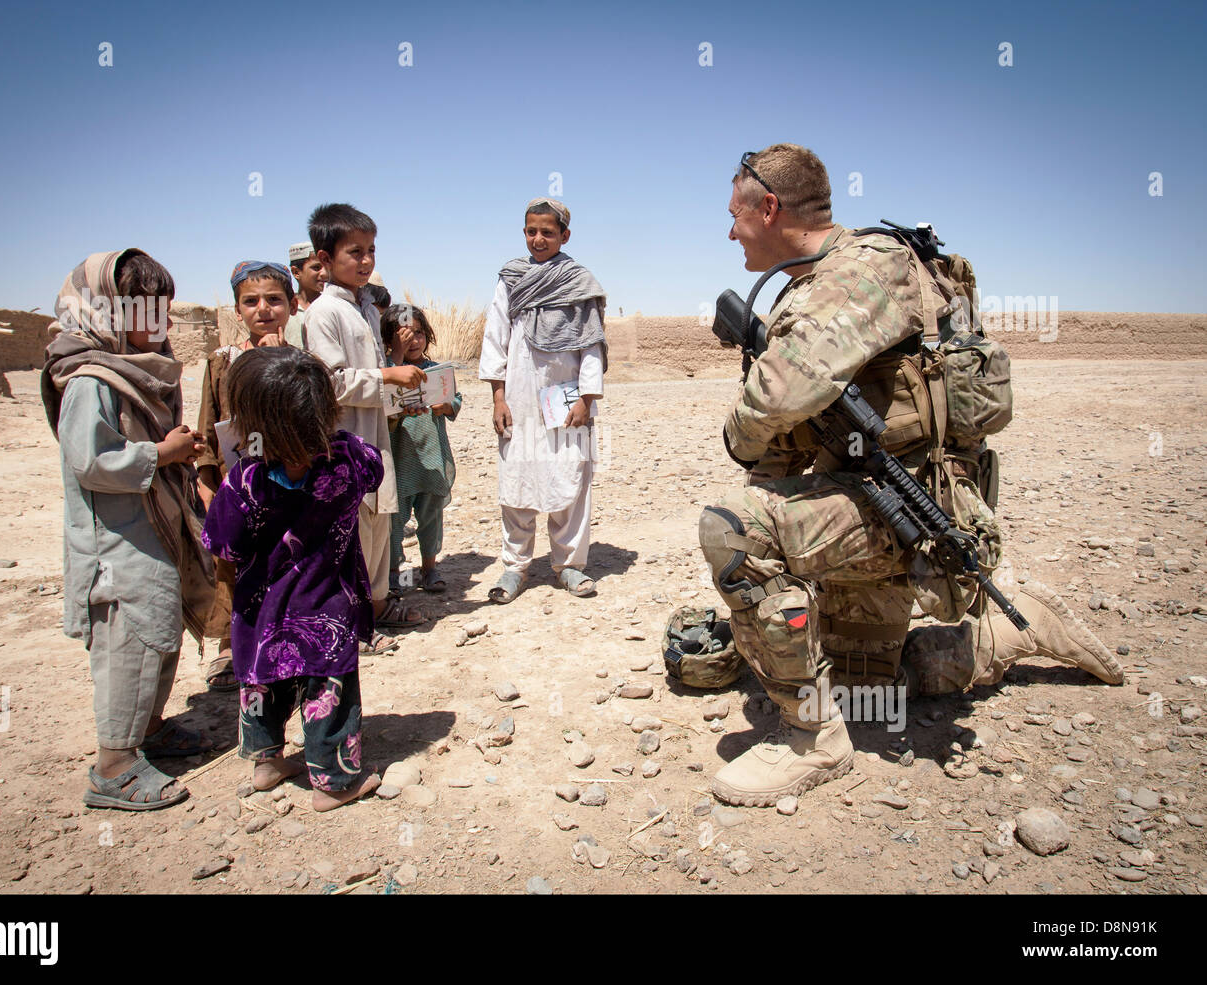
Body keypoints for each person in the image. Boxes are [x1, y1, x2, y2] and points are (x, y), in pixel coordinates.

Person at [699, 144, 1123, 808]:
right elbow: (787, 444)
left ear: (770, 207)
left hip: (909, 513)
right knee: (868, 681)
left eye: (735, 215)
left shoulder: (861, 274)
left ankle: (813, 740)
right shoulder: (829, 282)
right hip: (881, 504)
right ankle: (1012, 631)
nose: (730, 230)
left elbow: (776, 400)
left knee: (731, 528)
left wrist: (741, 453)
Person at [42, 249, 214, 811]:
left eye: (163, 308)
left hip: (151, 532)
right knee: (128, 640)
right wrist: (161, 454)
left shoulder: (140, 372)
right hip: (117, 543)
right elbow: (90, 460)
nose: (159, 321)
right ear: (106, 310)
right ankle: (113, 765)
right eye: (145, 309)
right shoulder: (91, 380)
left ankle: (151, 728)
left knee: (159, 628)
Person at [201, 346, 384, 810]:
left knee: (263, 679)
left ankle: (266, 762)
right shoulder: (348, 459)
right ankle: (332, 782)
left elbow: (223, 543)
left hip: (259, 609)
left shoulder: (244, 480)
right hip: (325, 605)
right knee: (329, 688)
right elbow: (376, 471)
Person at [302, 202, 428, 652]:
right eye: (354, 252)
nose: (366, 260)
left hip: (375, 438)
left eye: (371, 250)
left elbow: (372, 379)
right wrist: (387, 378)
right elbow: (331, 383)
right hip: (343, 442)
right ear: (324, 258)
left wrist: (401, 401)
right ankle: (350, 624)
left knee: (376, 522)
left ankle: (374, 608)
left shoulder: (369, 310)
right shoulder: (324, 314)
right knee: (349, 529)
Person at [479, 197, 606, 603]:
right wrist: (498, 396)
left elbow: (592, 345)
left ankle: (569, 565)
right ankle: (514, 568)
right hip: (517, 393)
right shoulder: (511, 278)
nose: (538, 239)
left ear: (564, 235)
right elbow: (495, 336)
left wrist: (586, 399)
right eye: (531, 231)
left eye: (547, 232)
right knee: (517, 477)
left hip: (566, 397)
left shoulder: (579, 281)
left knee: (570, 476)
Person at [194, 260, 296, 690]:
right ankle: (227, 646)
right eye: (251, 301)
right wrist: (204, 483)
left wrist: (276, 361)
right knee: (231, 564)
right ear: (237, 311)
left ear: (291, 305)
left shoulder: (300, 361)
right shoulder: (221, 362)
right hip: (235, 484)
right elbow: (206, 426)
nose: (263, 309)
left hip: (286, 482)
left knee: (284, 561)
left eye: (274, 300)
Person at [380, 303, 462, 593]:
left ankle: (429, 569)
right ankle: (395, 573)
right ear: (388, 338)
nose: (411, 341)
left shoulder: (436, 371)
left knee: (430, 517)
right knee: (394, 523)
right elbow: (383, 401)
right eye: (402, 335)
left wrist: (446, 405)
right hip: (400, 459)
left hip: (430, 457)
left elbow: (455, 400)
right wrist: (397, 357)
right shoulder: (388, 373)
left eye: (417, 333)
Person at [284, 242, 327, 348]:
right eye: (316, 267)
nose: (324, 273)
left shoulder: (332, 305)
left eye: (327, 267)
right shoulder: (284, 309)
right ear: (296, 272)